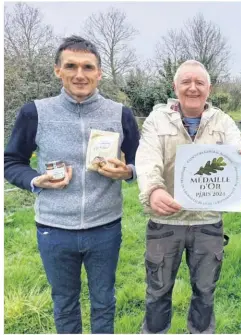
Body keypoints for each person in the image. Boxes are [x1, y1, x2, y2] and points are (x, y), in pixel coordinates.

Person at [4, 35, 140, 334]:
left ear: (99, 73)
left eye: (88, 67)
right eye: (71, 66)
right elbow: (11, 162)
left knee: (104, 301)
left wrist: (127, 172)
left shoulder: (120, 114)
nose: (80, 74)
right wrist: (34, 181)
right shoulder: (35, 112)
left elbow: (143, 162)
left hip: (105, 227)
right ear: (58, 70)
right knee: (64, 303)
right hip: (54, 229)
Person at [135, 60, 241, 334]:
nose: (192, 88)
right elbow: (147, 160)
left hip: (208, 223)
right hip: (165, 223)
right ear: (174, 87)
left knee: (205, 293)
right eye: (186, 82)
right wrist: (153, 191)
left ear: (209, 89)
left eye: (199, 83)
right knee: (157, 293)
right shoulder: (157, 120)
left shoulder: (223, 121)